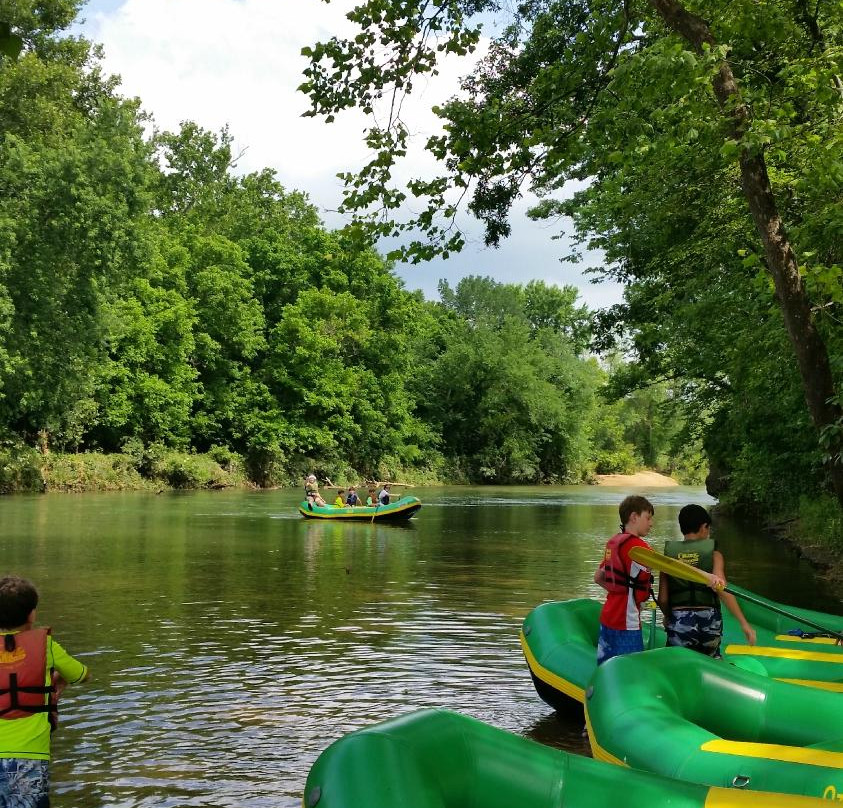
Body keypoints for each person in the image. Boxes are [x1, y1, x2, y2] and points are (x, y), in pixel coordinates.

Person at [0, 575, 89, 807]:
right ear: (31, 614)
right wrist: (56, 681)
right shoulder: (46, 647)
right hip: (28, 758)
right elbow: (82, 675)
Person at [657, 504, 756, 657]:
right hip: (709, 621)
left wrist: (668, 616)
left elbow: (663, 599)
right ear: (704, 527)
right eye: (708, 529)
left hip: (679, 620)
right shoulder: (715, 555)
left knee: (679, 661)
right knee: (711, 659)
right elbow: (722, 590)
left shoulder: (668, 558)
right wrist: (744, 623)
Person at [593, 495, 658, 665]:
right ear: (634, 517)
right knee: (631, 670)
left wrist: (620, 591)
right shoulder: (640, 549)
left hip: (608, 618)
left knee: (606, 668)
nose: (651, 523)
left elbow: (598, 577)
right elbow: (667, 568)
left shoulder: (614, 543)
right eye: (648, 518)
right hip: (627, 623)